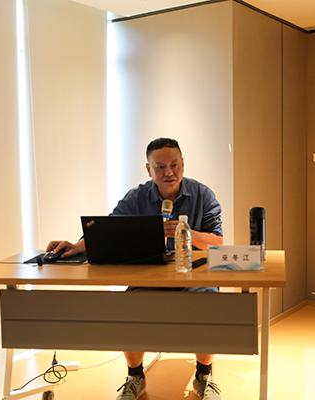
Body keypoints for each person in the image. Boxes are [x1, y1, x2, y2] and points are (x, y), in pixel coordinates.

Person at [46, 138, 224, 400]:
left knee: (208, 304)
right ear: (148, 169)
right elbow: (108, 229)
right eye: (160, 167)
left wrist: (184, 231)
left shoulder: (203, 195)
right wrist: (76, 246)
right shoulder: (137, 197)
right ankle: (135, 376)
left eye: (174, 165)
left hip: (194, 275)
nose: (169, 172)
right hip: (149, 277)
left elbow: (217, 242)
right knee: (129, 307)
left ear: (183, 164)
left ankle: (204, 375)